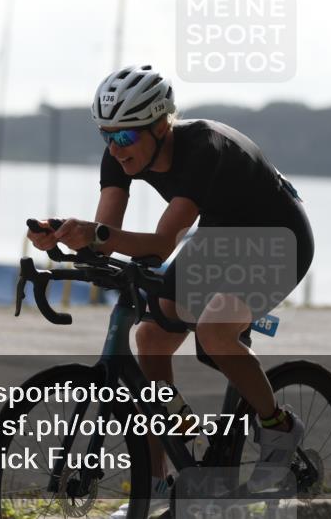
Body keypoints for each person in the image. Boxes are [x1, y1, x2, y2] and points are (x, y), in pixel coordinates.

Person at [28, 64, 315, 515]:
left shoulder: (202, 148)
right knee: (151, 336)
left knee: (215, 332)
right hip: (222, 234)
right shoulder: (119, 155)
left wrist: (93, 235)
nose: (115, 147)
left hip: (279, 237)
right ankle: (157, 484)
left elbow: (162, 243)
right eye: (106, 135)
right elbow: (105, 234)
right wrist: (63, 236)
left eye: (125, 136)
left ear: (161, 125)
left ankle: (278, 425)